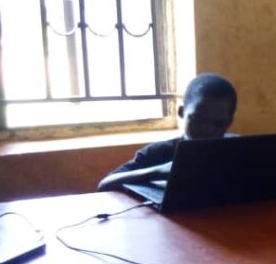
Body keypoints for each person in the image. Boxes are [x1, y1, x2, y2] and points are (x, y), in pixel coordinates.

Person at [97, 73, 238, 192]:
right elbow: (105, 185)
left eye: (218, 124)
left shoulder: (239, 150)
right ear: (182, 112)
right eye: (198, 120)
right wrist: (158, 172)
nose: (207, 130)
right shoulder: (159, 152)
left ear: (229, 122)